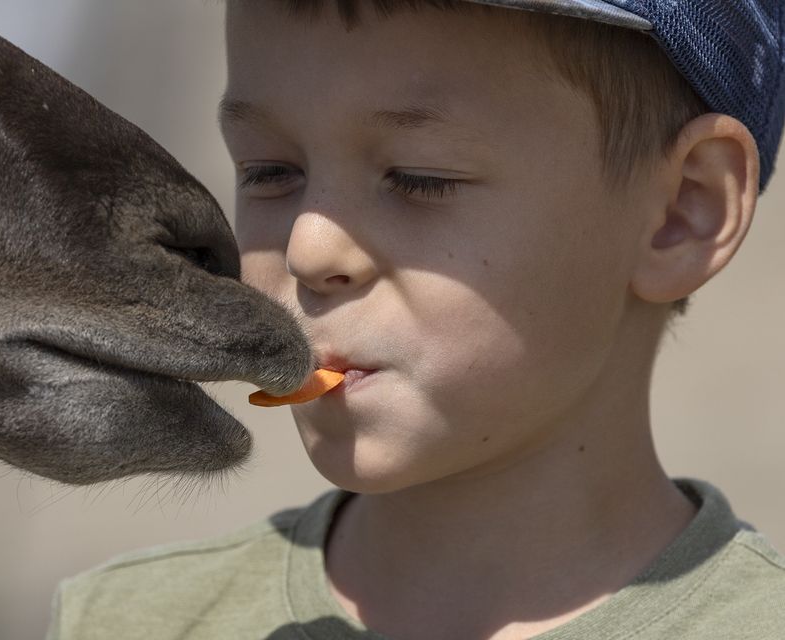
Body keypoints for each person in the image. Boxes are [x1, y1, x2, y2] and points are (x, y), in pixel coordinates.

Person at [46, 1, 785, 638]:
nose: (308, 247)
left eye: (419, 177)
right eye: (269, 171)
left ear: (683, 212)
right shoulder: (125, 619)